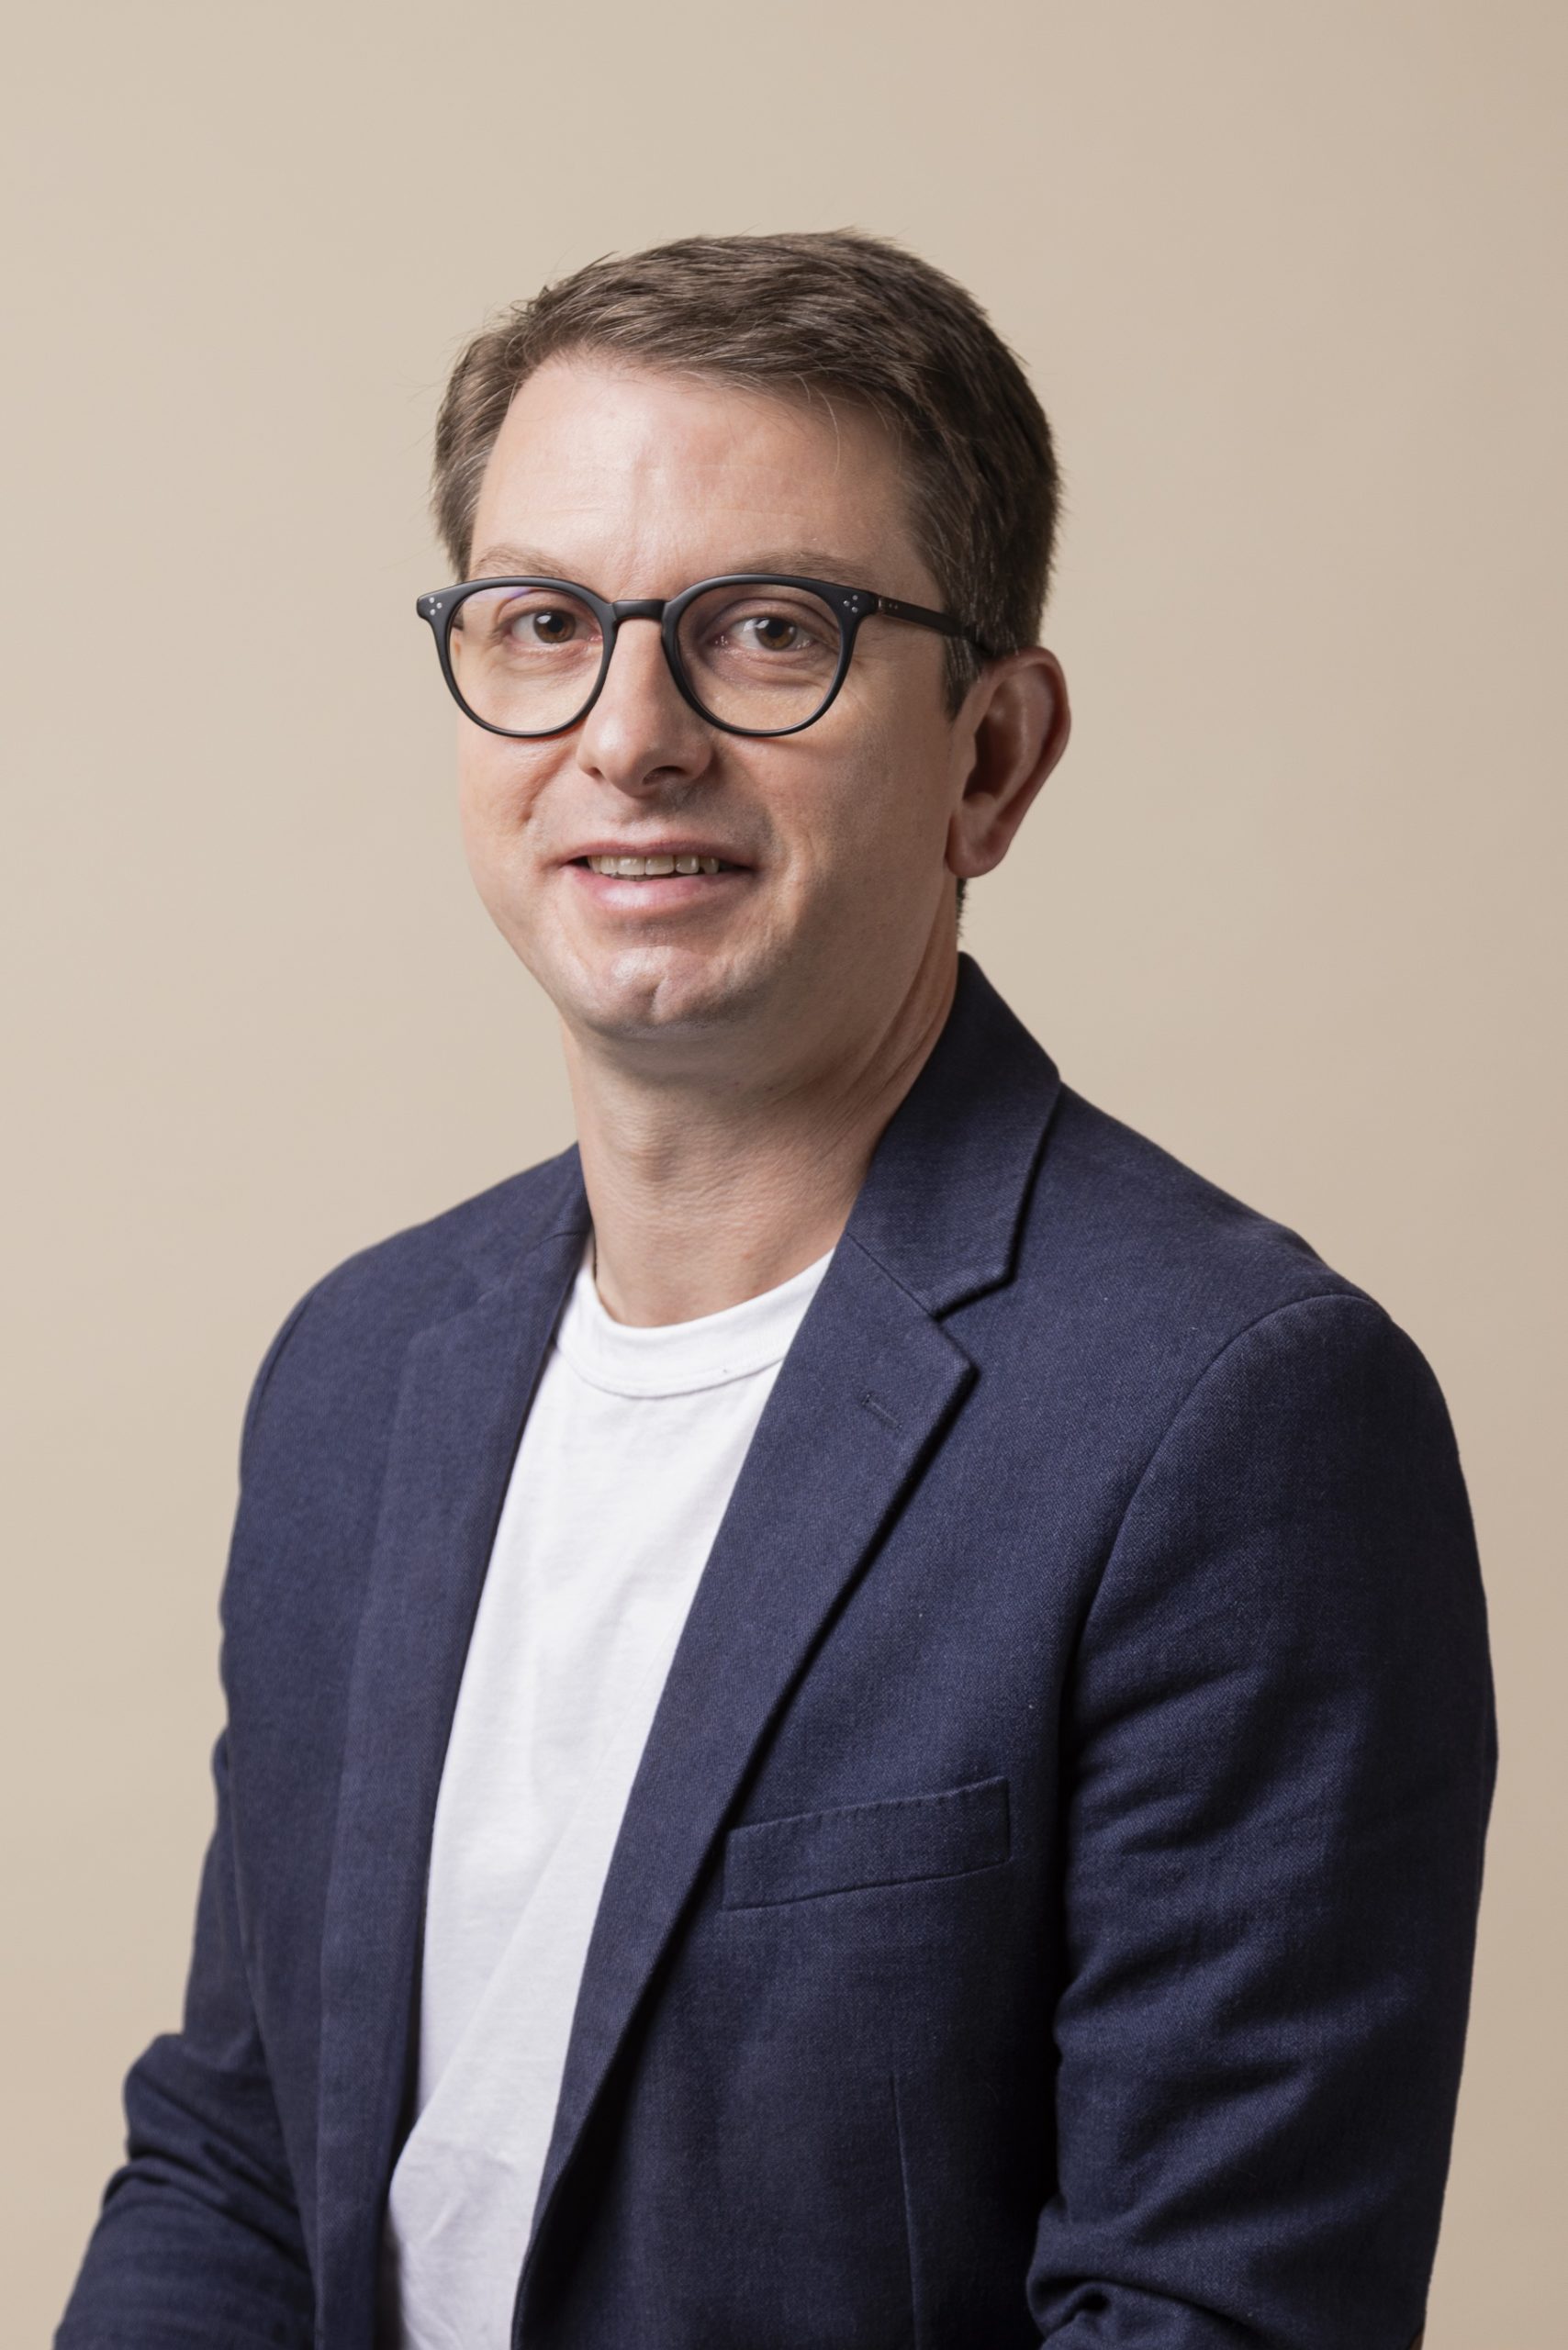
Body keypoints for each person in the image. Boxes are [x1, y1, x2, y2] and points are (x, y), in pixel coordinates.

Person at [56, 230, 1495, 2350]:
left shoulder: (1234, 1415)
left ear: (989, 756)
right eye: (544, 623)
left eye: (764, 632)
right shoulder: (355, 1370)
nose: (628, 736)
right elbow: (241, 2162)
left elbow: (1209, 2309)